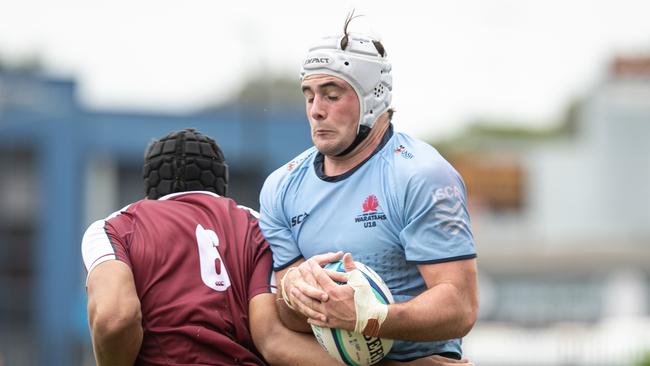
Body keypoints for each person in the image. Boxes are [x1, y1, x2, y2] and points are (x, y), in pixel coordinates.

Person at [259, 14, 479, 363]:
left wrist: (373, 318)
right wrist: (294, 292)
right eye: (309, 95)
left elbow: (460, 307)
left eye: (332, 95)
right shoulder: (281, 186)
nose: (316, 110)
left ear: (372, 99)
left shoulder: (422, 175)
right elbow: (290, 320)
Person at [81, 128, 343, 365]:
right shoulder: (259, 227)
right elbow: (273, 340)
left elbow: (115, 319)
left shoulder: (112, 229)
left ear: (150, 182)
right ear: (221, 180)